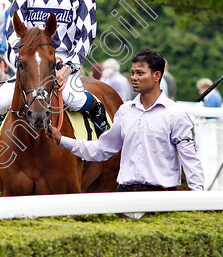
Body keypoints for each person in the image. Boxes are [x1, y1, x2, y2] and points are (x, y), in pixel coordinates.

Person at [0, 0, 107, 133]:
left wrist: (66, 69)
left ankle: (97, 109)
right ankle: (2, 130)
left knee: (75, 99)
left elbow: (85, 39)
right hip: (29, 64)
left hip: (62, 62)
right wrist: (23, 65)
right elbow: (12, 35)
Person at [47, 49, 205, 191]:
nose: (134, 78)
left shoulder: (176, 114)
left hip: (161, 196)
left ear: (157, 75)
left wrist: (198, 198)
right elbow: (102, 149)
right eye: (133, 73)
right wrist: (62, 140)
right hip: (125, 195)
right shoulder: (125, 111)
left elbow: (190, 159)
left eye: (140, 73)